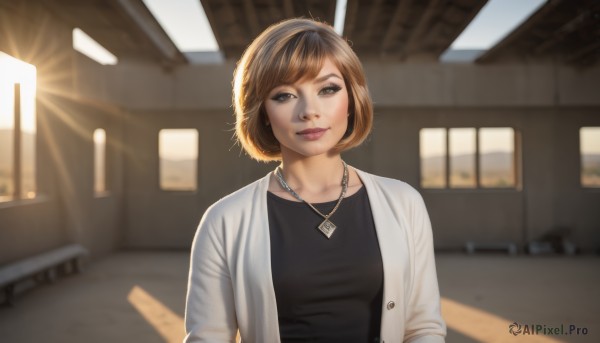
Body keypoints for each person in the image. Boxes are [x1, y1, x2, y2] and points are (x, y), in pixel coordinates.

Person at [184, 18, 446, 343]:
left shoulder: (404, 202)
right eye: (284, 96)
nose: (310, 111)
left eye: (328, 89)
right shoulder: (224, 221)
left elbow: (423, 329)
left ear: (352, 98)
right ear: (262, 110)